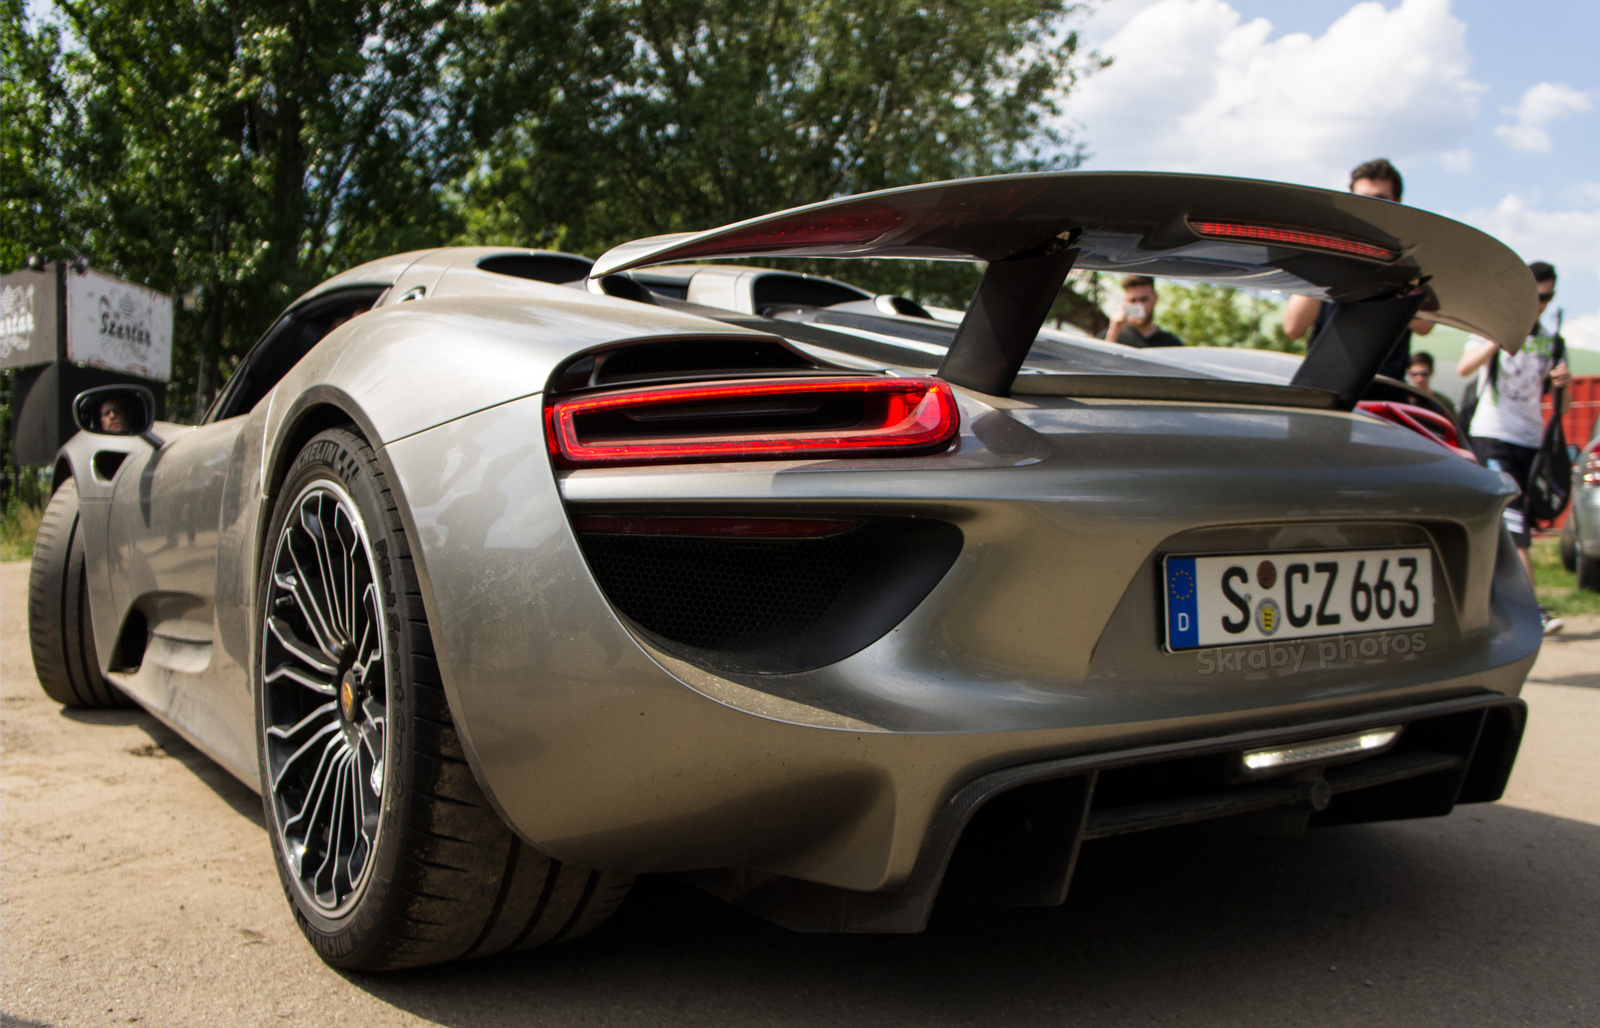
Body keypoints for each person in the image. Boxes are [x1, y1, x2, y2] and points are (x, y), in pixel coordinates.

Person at [1457, 261, 1570, 635]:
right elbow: (1464, 369)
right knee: (1515, 524)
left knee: (1510, 526)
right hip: (1493, 435)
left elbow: (1562, 408)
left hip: (1531, 441)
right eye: (1537, 295)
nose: (1541, 304)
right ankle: (1531, 611)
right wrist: (1495, 340)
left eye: (1548, 297)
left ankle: (1489, 604)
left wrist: (1563, 385)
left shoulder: (1553, 341)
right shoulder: (1493, 324)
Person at [1282, 158, 1434, 380]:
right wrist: (1327, 259)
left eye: (1381, 200)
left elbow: (1425, 325)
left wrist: (1386, 280)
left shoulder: (1410, 258)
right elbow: (1293, 327)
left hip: (1385, 390)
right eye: (1362, 200)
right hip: (1325, 385)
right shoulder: (1328, 252)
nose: (1370, 209)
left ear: (1398, 202)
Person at [1104, 275, 1182, 348]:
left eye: (1143, 299)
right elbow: (1100, 362)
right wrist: (1113, 333)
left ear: (1155, 297)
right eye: (1133, 300)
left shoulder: (1171, 344)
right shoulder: (1109, 337)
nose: (1139, 305)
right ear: (1125, 301)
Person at [1404, 351, 1457, 422]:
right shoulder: (1402, 400)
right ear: (1408, 373)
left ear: (1431, 372)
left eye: (1424, 374)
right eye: (1414, 374)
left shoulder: (1443, 403)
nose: (1419, 379)